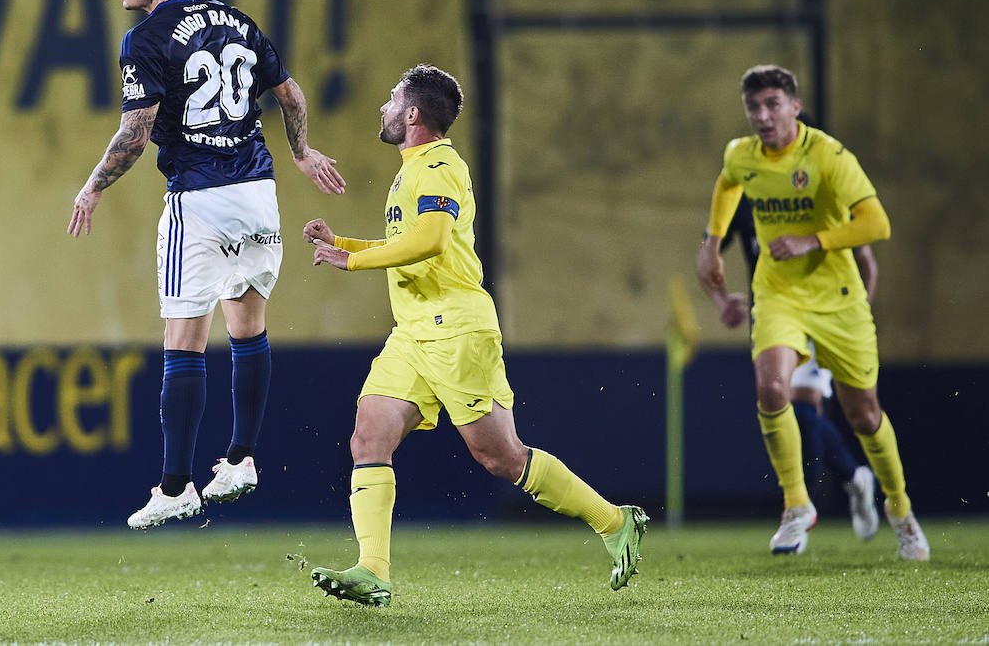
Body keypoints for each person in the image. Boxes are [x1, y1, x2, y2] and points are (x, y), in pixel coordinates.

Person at [302, 64, 647, 605]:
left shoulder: (439, 165)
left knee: (501, 458)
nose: (385, 107)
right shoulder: (413, 167)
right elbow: (411, 242)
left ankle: (614, 521)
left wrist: (353, 263)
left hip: (456, 328)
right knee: (369, 433)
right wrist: (345, 243)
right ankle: (373, 570)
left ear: (413, 114)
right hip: (414, 330)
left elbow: (433, 241)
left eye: (393, 99)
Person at [67, 0, 346, 529]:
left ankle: (175, 485)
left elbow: (135, 136)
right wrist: (301, 153)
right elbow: (292, 98)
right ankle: (242, 458)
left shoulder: (143, 38)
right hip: (258, 194)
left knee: (183, 341)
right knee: (248, 329)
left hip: (199, 198)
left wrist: (92, 187)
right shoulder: (238, 21)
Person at [695, 64, 928, 560]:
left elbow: (876, 223)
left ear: (794, 107)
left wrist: (811, 241)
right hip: (778, 295)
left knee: (864, 415)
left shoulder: (827, 155)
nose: (762, 116)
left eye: (772, 104)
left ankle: (900, 510)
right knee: (772, 388)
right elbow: (727, 183)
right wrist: (712, 244)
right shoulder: (742, 155)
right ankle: (796, 506)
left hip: (837, 299)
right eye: (754, 107)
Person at [714, 130, 881, 542]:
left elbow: (867, 261)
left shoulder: (821, 190)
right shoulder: (745, 193)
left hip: (825, 310)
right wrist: (721, 301)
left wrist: (854, 313)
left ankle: (803, 506)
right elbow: (709, 254)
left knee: (804, 412)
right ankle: (849, 480)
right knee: (777, 402)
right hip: (774, 311)